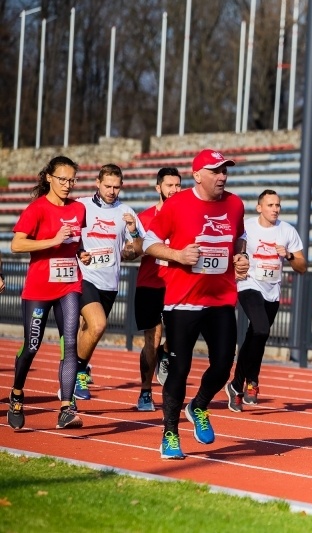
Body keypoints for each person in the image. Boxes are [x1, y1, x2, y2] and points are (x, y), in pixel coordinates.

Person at [143, 149, 248, 460]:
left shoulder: (235, 203)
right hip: (183, 302)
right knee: (180, 369)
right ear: (197, 175)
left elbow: (238, 239)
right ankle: (170, 434)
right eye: (216, 171)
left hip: (221, 299)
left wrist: (241, 259)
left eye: (225, 170)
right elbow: (148, 242)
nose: (222, 176)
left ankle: (199, 405)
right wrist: (177, 256)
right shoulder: (177, 204)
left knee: (222, 366)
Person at [7, 156, 91, 430]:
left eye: (72, 180)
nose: (68, 185)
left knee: (70, 345)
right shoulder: (37, 209)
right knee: (32, 346)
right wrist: (52, 241)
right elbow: (16, 245)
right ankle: (17, 394)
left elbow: (75, 242)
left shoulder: (79, 209)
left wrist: (82, 254)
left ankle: (66, 408)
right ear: (49, 178)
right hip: (39, 289)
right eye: (63, 179)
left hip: (69, 285)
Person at [225, 189, 307, 412]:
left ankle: (242, 383)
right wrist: (237, 262)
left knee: (257, 335)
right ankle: (241, 383)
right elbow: (233, 251)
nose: (275, 209)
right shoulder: (247, 228)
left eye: (277, 205)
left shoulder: (287, 231)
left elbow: (302, 266)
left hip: (273, 290)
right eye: (270, 205)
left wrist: (289, 256)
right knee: (260, 329)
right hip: (249, 284)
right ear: (259, 207)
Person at [73, 164, 145, 400]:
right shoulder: (81, 206)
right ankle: (78, 371)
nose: (112, 191)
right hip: (84, 277)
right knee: (98, 325)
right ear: (97, 183)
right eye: (107, 186)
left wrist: (133, 235)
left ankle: (72, 368)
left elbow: (138, 250)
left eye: (116, 187)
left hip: (109, 282)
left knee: (87, 328)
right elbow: (68, 236)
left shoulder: (126, 212)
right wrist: (78, 251)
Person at [133, 167, 183, 411]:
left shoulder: (188, 215)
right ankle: (145, 391)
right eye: (169, 185)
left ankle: (165, 353)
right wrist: (131, 248)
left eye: (177, 185)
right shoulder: (144, 218)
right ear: (158, 188)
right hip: (150, 285)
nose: (174, 190)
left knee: (178, 336)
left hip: (178, 285)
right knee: (151, 340)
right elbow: (133, 249)